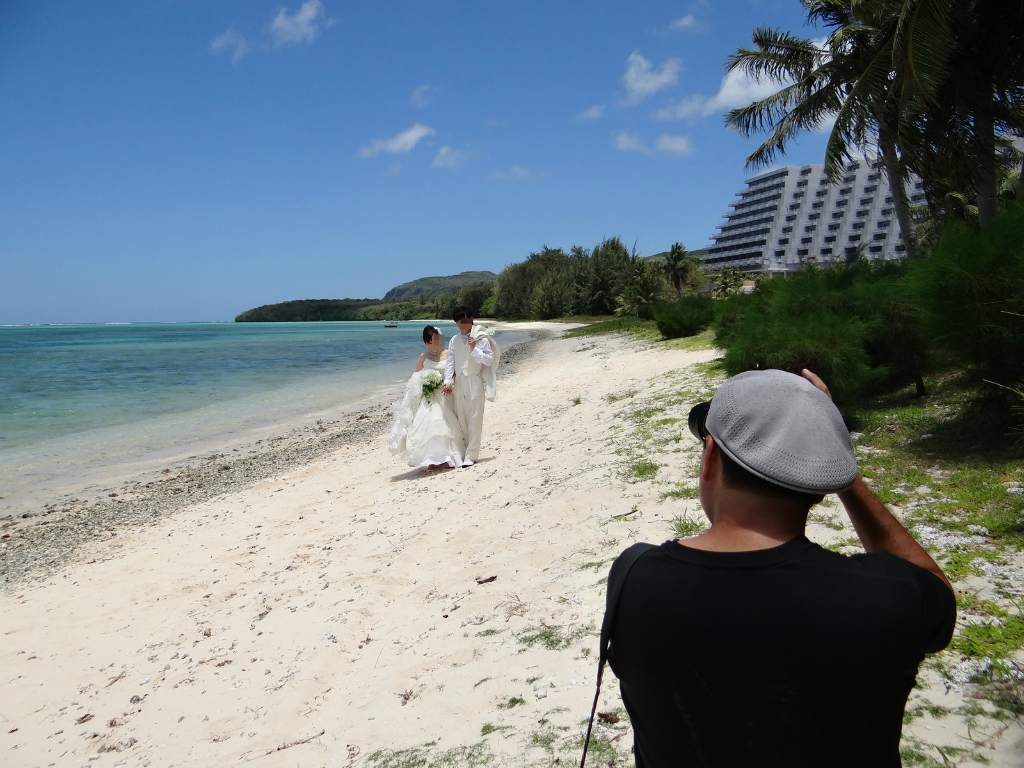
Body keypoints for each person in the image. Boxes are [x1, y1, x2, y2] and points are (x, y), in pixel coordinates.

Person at [604, 369, 956, 768]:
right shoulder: (887, 599)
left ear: (710, 458)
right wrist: (840, 467)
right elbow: (934, 588)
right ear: (823, 482)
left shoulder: (636, 579)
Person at [386, 326, 465, 469]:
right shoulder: (423, 357)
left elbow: (456, 373)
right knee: (430, 425)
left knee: (446, 426)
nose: (433, 344)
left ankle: (447, 457)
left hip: (445, 393)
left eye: (436, 341)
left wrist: (451, 383)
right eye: (430, 342)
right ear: (425, 342)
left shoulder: (448, 354)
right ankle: (431, 459)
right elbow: (415, 377)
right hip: (429, 396)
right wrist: (425, 382)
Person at [442, 306, 498, 467]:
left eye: (463, 320)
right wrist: (448, 381)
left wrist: (475, 349)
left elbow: (489, 360)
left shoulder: (481, 338)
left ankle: (471, 455)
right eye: (458, 321)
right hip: (459, 381)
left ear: (471, 319)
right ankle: (465, 450)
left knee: (475, 418)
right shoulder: (454, 340)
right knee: (462, 418)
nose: (460, 324)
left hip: (474, 380)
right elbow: (450, 362)